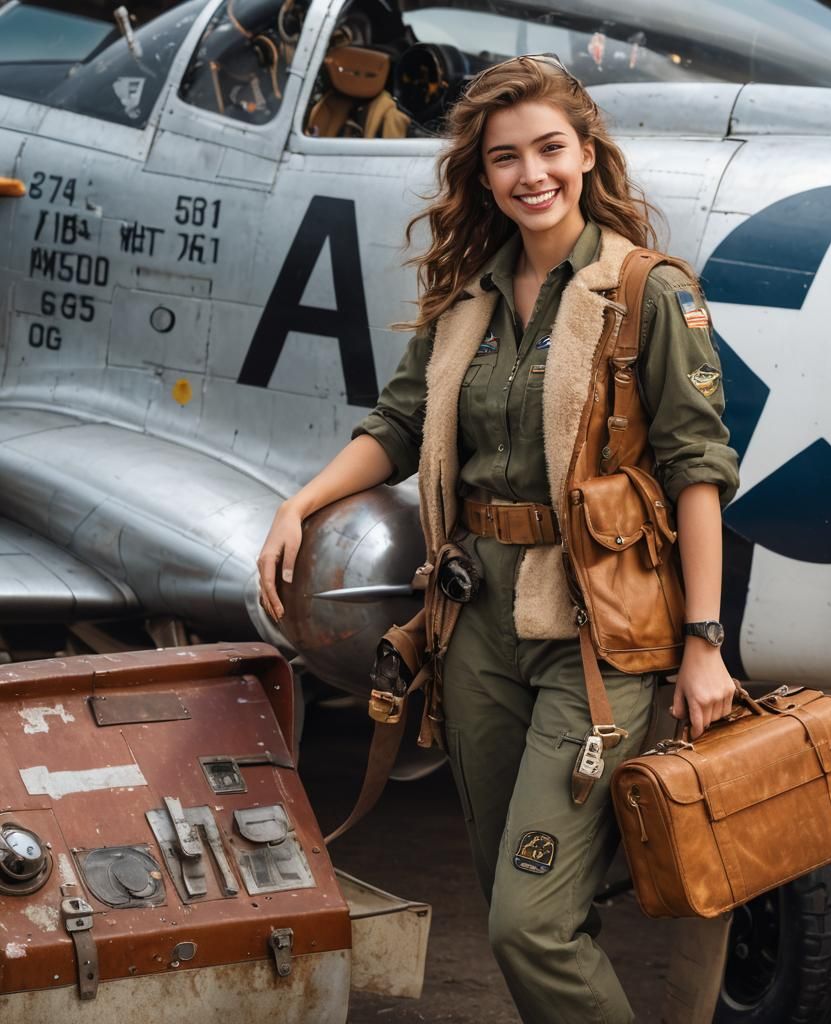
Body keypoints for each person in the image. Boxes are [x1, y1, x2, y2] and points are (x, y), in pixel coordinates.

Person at [257, 53, 740, 1024]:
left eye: (550, 149)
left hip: (599, 634)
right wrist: (297, 505)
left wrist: (704, 644)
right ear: (482, 176)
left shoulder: (647, 294)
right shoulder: (464, 300)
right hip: (473, 629)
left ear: (587, 153)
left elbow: (697, 473)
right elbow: (395, 428)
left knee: (529, 920)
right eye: (506, 158)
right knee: (524, 900)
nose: (532, 175)